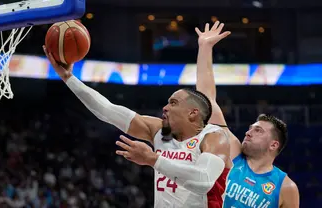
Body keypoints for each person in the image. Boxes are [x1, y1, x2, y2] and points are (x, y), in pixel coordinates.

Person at [42, 24, 232, 207]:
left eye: (173, 103)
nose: (165, 108)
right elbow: (107, 110)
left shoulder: (214, 137)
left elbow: (203, 181)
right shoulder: (159, 131)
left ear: (193, 113)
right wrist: (69, 78)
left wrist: (153, 159)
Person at [195, 21, 300, 208]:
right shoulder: (232, 151)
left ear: (273, 144)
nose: (248, 132)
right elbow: (206, 101)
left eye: (258, 131)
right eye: (250, 128)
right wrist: (205, 47)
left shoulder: (286, 187)